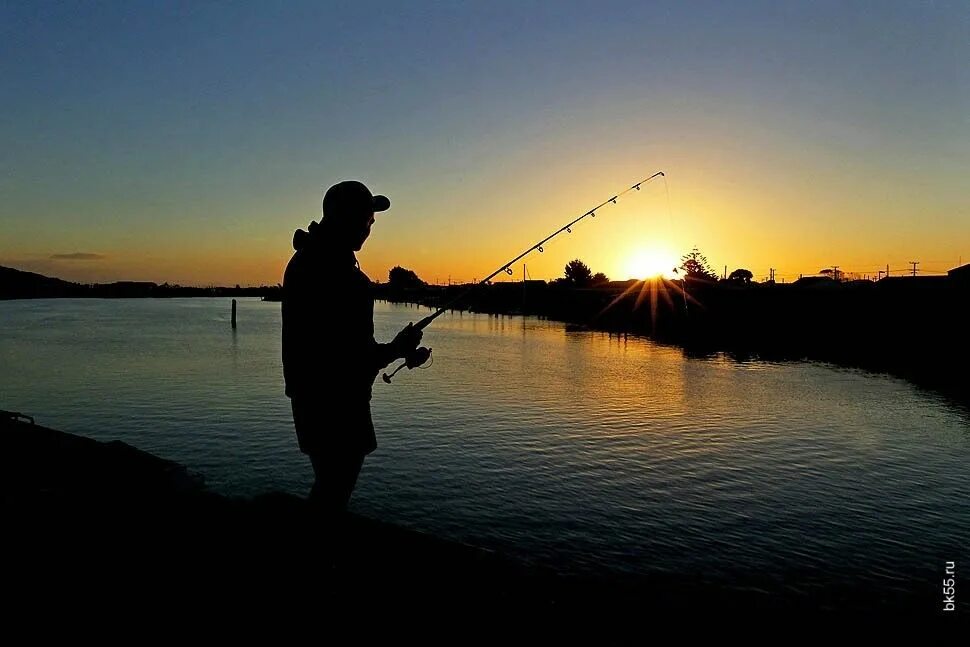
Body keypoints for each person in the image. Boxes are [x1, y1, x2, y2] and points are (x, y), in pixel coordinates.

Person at [282, 180, 422, 515]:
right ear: (347, 218)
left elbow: (343, 351)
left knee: (329, 481)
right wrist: (399, 348)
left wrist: (394, 350)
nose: (369, 228)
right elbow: (353, 357)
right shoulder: (343, 277)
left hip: (309, 396)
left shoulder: (303, 261)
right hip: (338, 402)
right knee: (337, 484)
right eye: (367, 221)